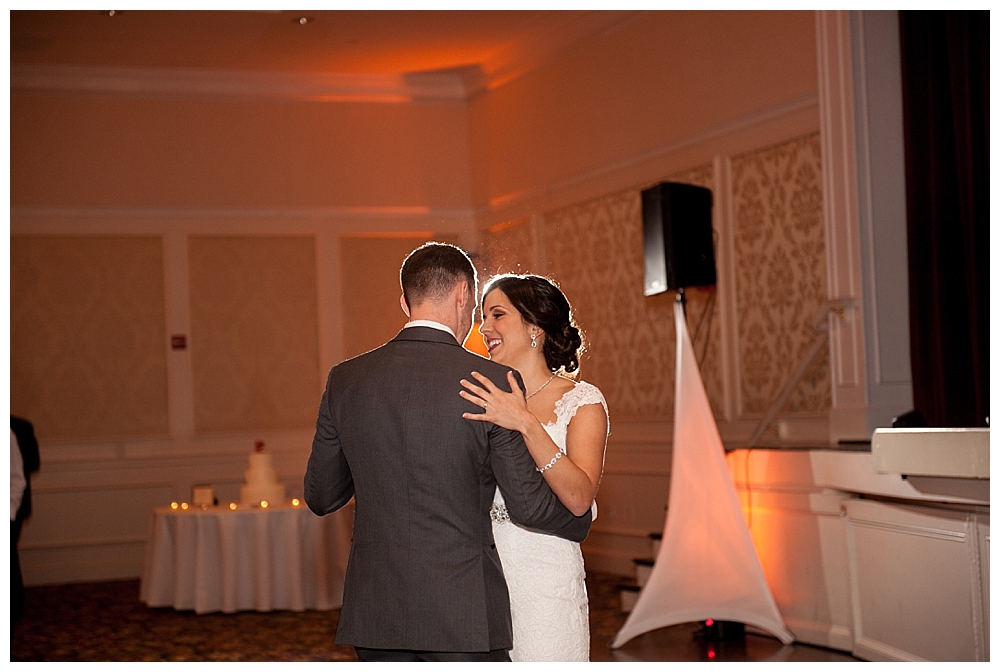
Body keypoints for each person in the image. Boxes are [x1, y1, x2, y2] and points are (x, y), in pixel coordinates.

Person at [303, 243, 592, 662]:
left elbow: (321, 495)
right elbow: (527, 505)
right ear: (463, 296)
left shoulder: (346, 379)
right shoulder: (490, 382)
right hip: (463, 614)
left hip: (376, 614)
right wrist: (578, 520)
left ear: (405, 302)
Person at [459, 273, 609, 662]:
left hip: (545, 579)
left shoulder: (582, 401)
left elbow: (578, 497)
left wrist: (525, 422)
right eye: (482, 316)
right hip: (484, 579)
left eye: (496, 315)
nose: (484, 328)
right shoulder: (485, 397)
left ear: (534, 328)